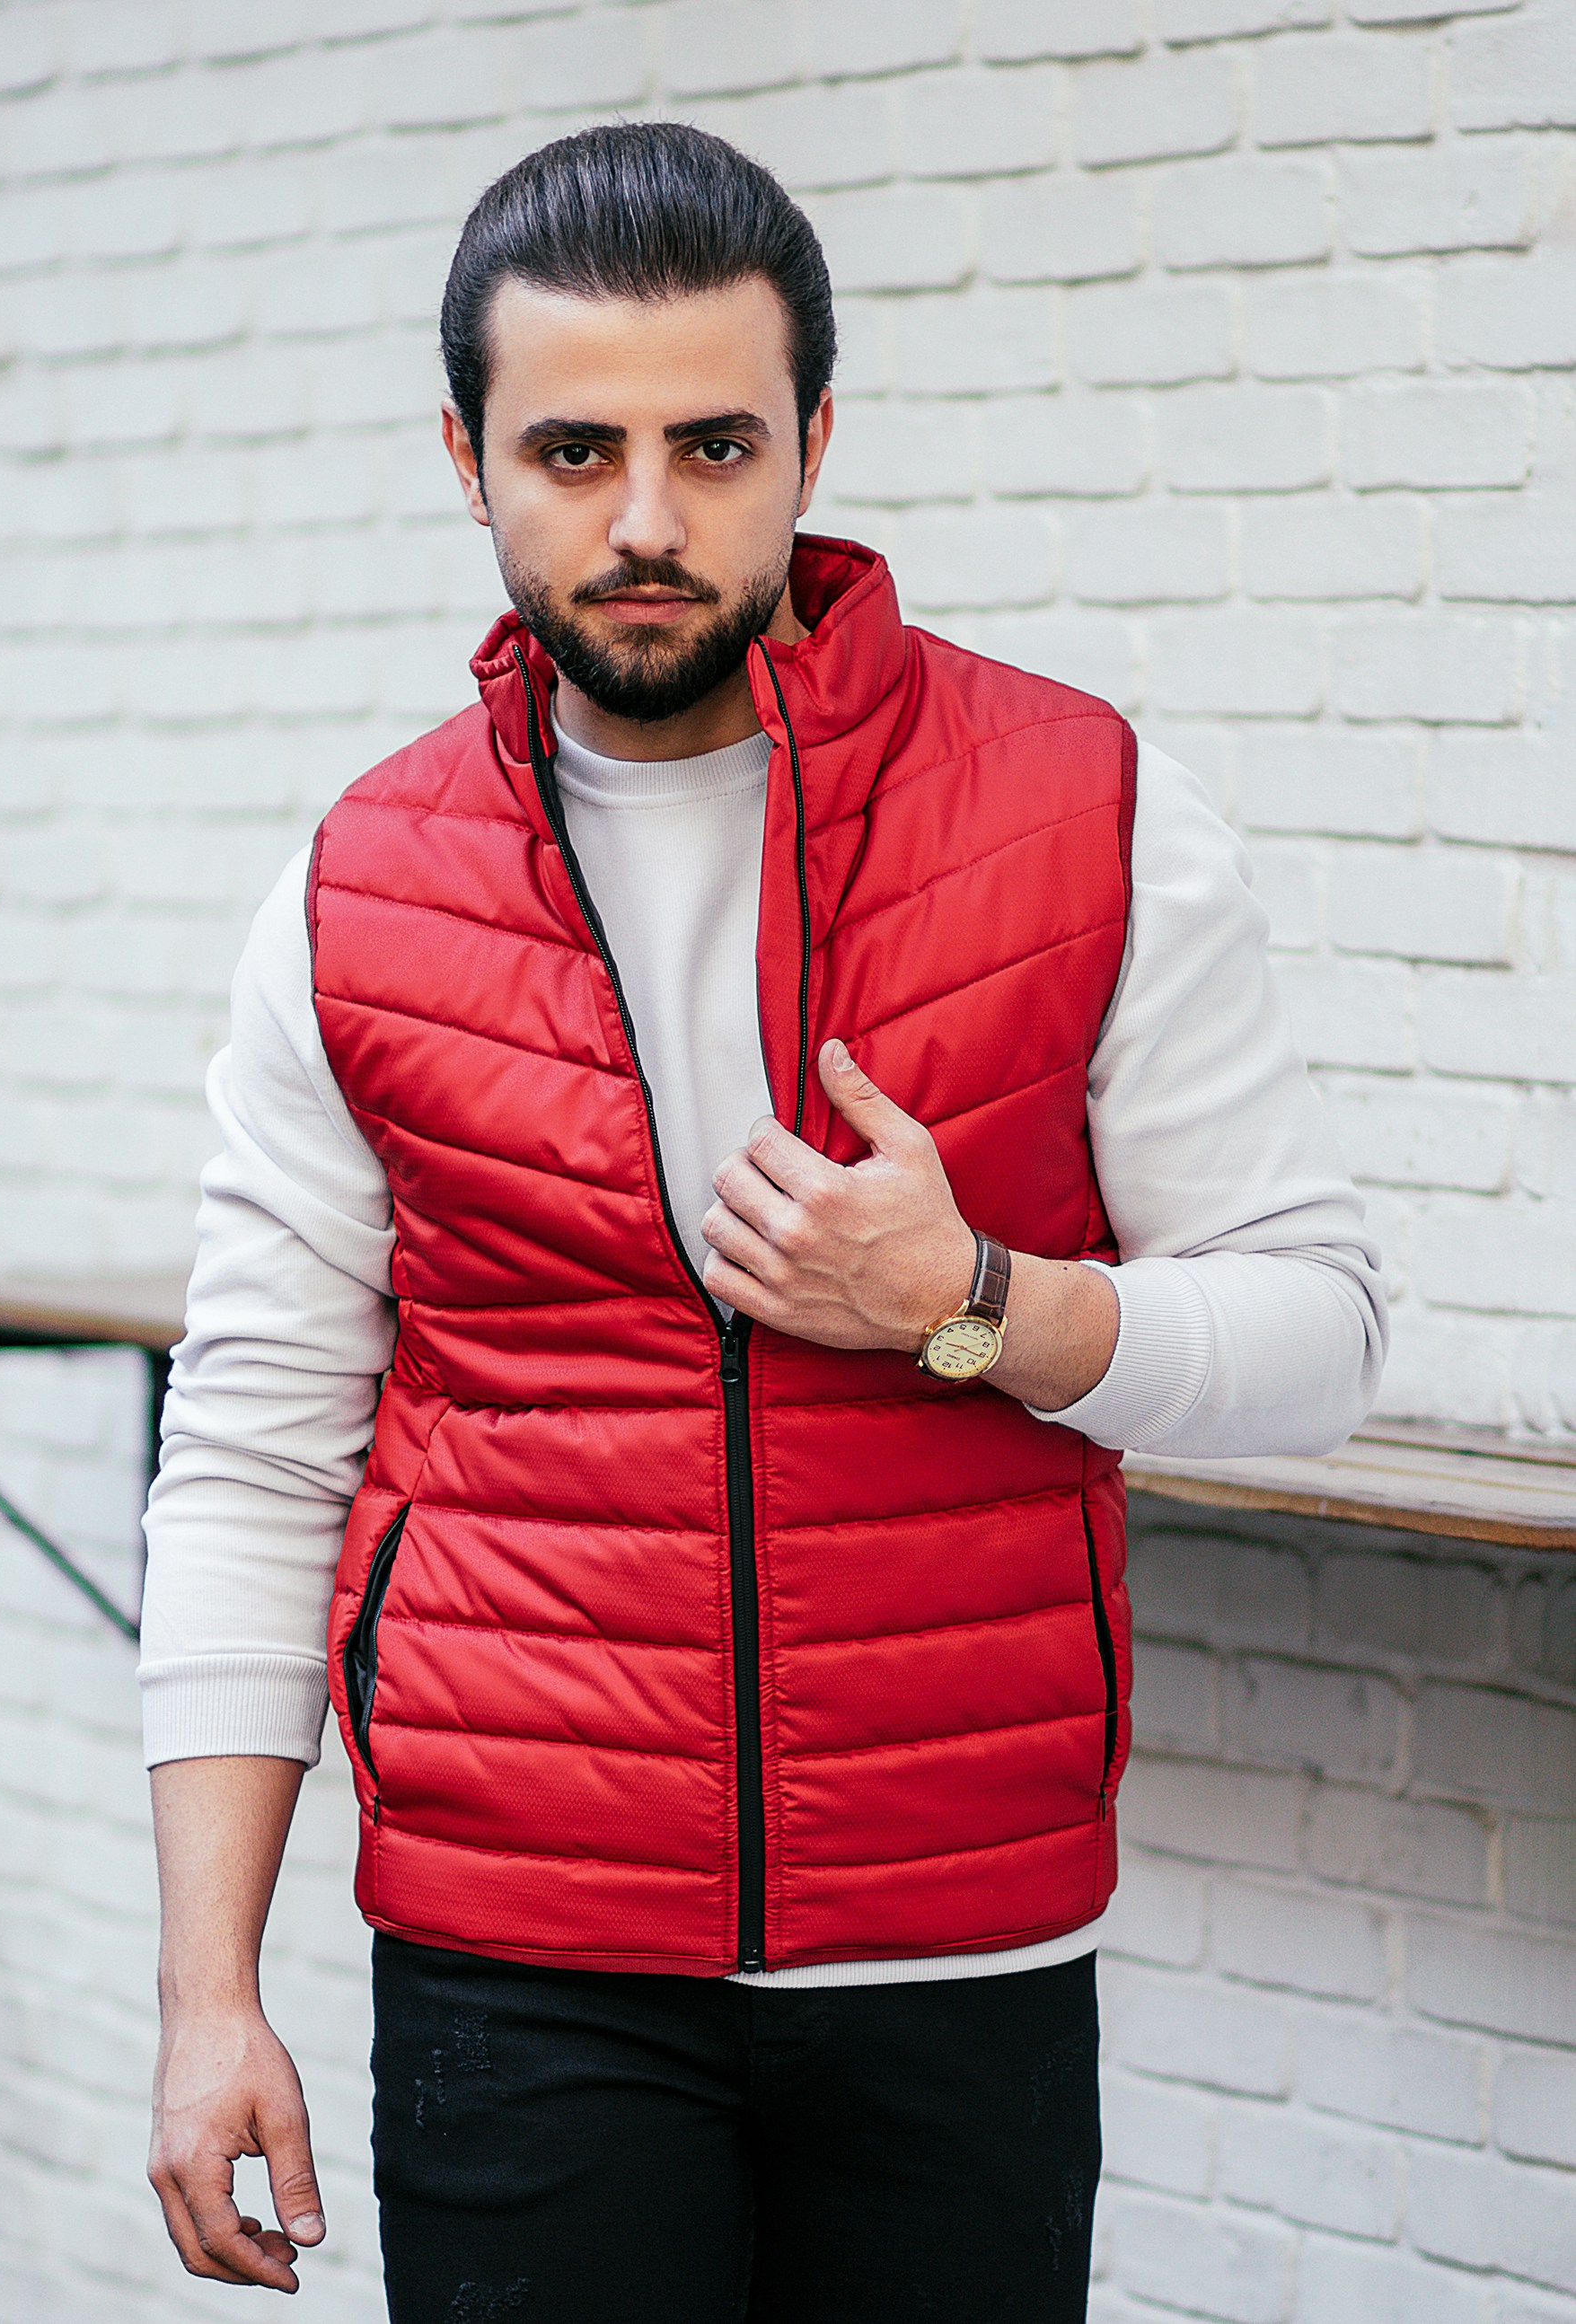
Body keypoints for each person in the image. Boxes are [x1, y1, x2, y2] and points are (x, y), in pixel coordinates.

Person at [139, 124, 1387, 2323]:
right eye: (574, 448)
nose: (645, 520)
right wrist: (207, 1995)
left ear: (817, 432)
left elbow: (1318, 1338)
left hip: (958, 1950)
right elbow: (252, 1447)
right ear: (465, 457)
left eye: (716, 443)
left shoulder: (1089, 813)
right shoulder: (357, 892)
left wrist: (979, 1306)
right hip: (517, 1969)